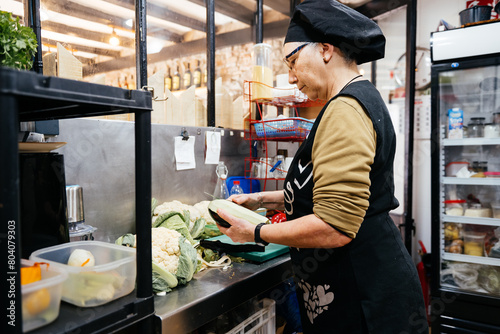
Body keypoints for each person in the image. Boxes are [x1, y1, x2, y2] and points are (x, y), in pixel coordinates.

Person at [215, 0, 429, 333]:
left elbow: (335, 225)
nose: (290, 76)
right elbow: (321, 187)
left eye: (293, 61)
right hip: (355, 286)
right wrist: (260, 200)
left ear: (325, 49)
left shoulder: (346, 109)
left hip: (366, 297)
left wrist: (255, 232)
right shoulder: (351, 101)